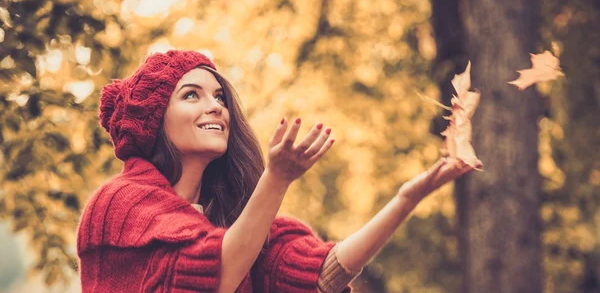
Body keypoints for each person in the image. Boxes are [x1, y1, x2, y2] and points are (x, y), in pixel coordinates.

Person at [77, 49, 479, 292]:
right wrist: (278, 178)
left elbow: (323, 276)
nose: (217, 106)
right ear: (154, 121)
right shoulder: (119, 206)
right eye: (191, 95)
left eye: (219, 96)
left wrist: (405, 199)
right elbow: (213, 278)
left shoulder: (234, 219)